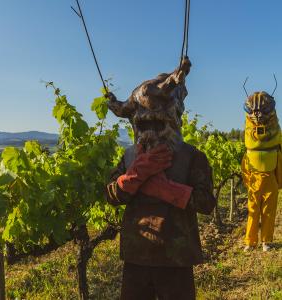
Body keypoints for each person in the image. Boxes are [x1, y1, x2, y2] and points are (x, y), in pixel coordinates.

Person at [105, 57, 216, 299]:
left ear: (173, 116)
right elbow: (111, 195)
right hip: (136, 259)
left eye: (157, 120)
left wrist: (168, 191)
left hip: (176, 261)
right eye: (144, 121)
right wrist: (132, 177)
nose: (150, 128)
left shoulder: (192, 157)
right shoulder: (129, 156)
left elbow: (207, 203)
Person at [242, 91, 282, 252]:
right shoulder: (249, 130)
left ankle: (266, 240)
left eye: (262, 111)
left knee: (269, 208)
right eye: (252, 111)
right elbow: (254, 142)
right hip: (254, 174)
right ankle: (250, 241)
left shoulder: (276, 130)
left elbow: (273, 139)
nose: (257, 115)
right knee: (252, 209)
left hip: (270, 172)